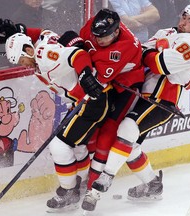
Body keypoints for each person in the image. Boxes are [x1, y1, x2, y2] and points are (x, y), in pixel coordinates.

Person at [87, 2, 190, 212]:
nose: (184, 22)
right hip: (143, 96)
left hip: (164, 101)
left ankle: (104, 179)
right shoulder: (166, 32)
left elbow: (162, 65)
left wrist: (155, 53)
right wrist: (155, 53)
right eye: (184, 16)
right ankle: (152, 183)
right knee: (130, 145)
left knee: (127, 128)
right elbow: (141, 52)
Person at [5, 30, 111, 210]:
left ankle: (69, 191)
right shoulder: (39, 61)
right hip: (85, 101)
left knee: (59, 145)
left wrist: (86, 76)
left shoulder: (43, 54)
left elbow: (78, 55)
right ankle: (82, 183)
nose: (25, 66)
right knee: (77, 146)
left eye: (23, 61)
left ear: (28, 50)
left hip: (92, 100)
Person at [78, 8, 145, 211]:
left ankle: (93, 189)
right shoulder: (95, 25)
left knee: (108, 130)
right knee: (91, 128)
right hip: (107, 82)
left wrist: (86, 67)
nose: (98, 40)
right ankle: (90, 174)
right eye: (96, 36)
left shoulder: (126, 46)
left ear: (116, 32)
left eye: (104, 37)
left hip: (125, 87)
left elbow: (98, 78)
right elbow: (80, 46)